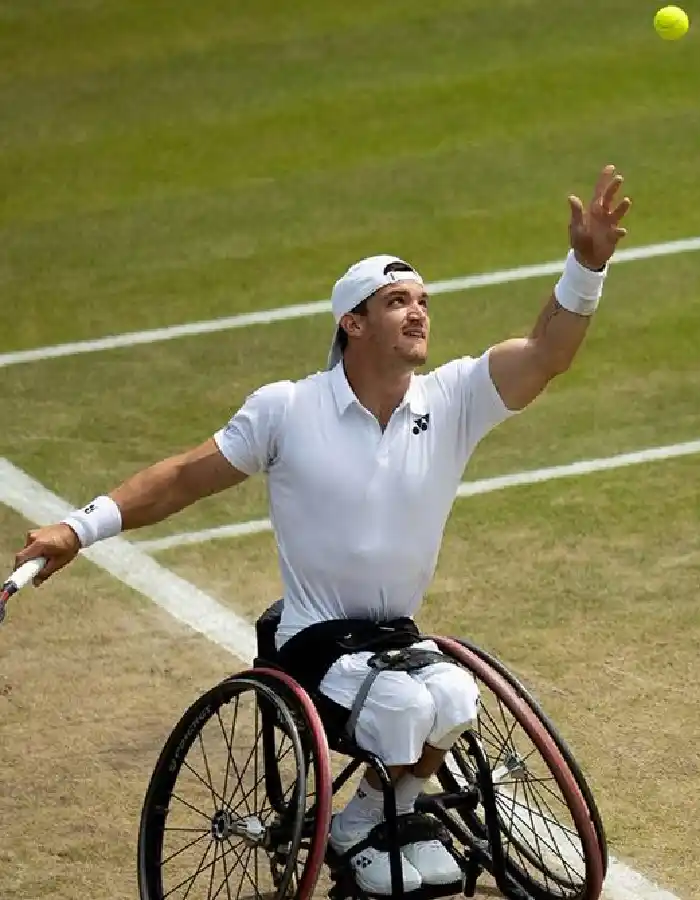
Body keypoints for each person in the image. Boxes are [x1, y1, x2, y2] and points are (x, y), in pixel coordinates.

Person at [13, 164, 633, 895]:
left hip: (393, 635)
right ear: (353, 322)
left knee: (458, 700)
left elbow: (545, 354)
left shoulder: (455, 397)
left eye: (423, 300)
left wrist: (585, 266)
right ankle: (368, 825)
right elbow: (184, 475)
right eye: (396, 301)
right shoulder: (287, 409)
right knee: (406, 708)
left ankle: (374, 810)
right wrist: (78, 530)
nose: (418, 312)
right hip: (309, 641)